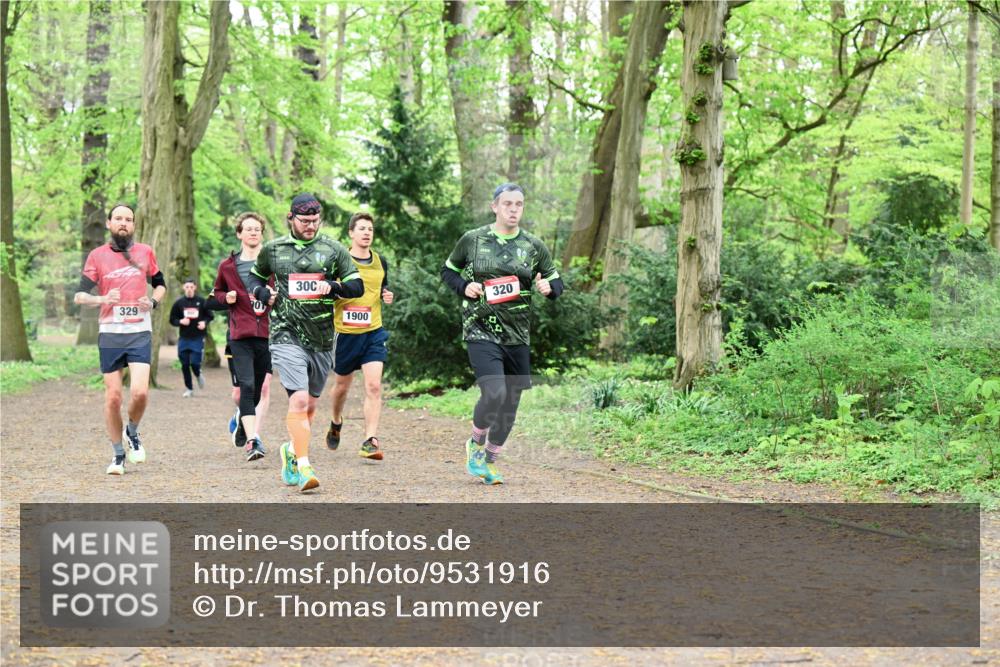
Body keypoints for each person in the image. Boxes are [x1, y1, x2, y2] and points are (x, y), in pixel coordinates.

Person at [441, 183, 564, 485]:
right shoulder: (473, 239)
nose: (513, 209)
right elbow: (448, 271)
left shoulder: (533, 246)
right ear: (495, 207)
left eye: (518, 204)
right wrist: (464, 286)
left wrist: (549, 288)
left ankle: (489, 461)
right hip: (480, 328)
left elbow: (556, 281)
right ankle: (475, 442)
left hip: (517, 335)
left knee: (511, 402)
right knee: (494, 391)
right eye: (507, 203)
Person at [247, 193, 364, 492]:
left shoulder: (334, 249)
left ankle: (290, 450)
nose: (311, 226)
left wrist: (334, 286)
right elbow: (254, 278)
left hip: (322, 338)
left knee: (310, 406)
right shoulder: (274, 250)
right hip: (285, 334)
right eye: (304, 221)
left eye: (315, 221)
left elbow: (357, 286)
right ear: (291, 218)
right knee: (298, 401)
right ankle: (304, 466)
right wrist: (262, 293)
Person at [74, 204, 167, 475]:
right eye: (118, 218)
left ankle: (132, 431)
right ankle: (117, 455)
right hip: (110, 332)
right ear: (109, 223)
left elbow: (160, 285)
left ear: (134, 225)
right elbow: (80, 296)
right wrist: (103, 298)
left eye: (128, 219)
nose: (123, 223)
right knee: (113, 397)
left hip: (139, 331)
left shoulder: (145, 252)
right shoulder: (97, 256)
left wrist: (152, 302)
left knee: (140, 392)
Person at [326, 212, 394, 460]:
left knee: (374, 386)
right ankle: (336, 420)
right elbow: (327, 290)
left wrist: (386, 294)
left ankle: (370, 440)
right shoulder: (339, 261)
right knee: (341, 387)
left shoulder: (380, 261)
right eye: (362, 228)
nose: (367, 233)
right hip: (346, 333)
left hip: (373, 331)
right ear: (351, 233)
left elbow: (382, 286)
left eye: (370, 229)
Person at [212, 212, 275, 462]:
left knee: (257, 390)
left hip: (267, 335)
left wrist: (275, 297)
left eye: (257, 229)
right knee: (246, 386)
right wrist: (224, 298)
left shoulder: (271, 265)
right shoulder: (227, 266)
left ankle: (242, 421)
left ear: (262, 234)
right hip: (240, 335)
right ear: (239, 234)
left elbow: (284, 292)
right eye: (248, 229)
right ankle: (253, 440)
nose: (253, 232)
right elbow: (216, 293)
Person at [168, 278, 213, 397]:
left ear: (195, 288)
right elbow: (172, 319)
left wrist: (204, 322)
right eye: (187, 287)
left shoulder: (202, 301)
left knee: (194, 363)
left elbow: (210, 316)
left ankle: (198, 374)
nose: (189, 289)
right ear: (183, 287)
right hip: (184, 338)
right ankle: (189, 388)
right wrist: (180, 321)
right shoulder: (179, 303)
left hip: (197, 337)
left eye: (191, 287)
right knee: (184, 364)